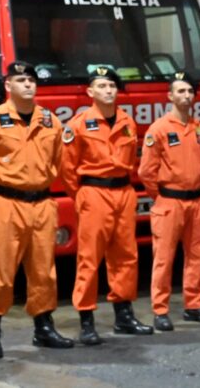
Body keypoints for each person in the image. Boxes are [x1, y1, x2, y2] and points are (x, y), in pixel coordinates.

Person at [0, 61, 74, 359]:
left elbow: (58, 160)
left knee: (43, 271)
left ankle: (43, 327)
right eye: (20, 80)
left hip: (42, 204)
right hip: (5, 203)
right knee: (0, 271)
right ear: (8, 86)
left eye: (31, 79)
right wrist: (1, 184)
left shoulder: (50, 121)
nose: (28, 84)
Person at [61, 67, 154, 344]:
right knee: (90, 258)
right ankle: (86, 319)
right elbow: (67, 169)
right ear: (90, 92)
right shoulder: (78, 124)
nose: (108, 90)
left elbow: (133, 162)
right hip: (94, 193)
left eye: (112, 86)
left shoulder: (127, 122)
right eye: (102, 86)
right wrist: (81, 195)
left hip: (124, 192)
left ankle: (123, 315)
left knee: (126, 255)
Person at [138, 73, 200, 331]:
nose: (186, 96)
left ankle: (194, 305)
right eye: (181, 91)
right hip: (169, 202)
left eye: (189, 91)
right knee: (164, 258)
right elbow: (146, 172)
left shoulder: (199, 129)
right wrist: (161, 196)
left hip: (197, 201)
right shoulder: (159, 129)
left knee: (197, 255)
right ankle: (160, 310)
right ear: (170, 96)